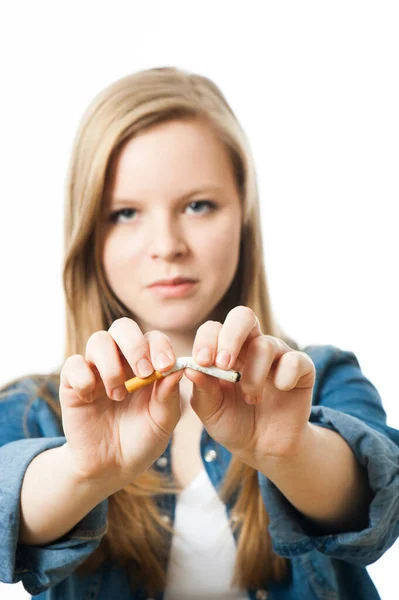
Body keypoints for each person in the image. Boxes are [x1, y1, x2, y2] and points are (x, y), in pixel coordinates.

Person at [0, 66, 398, 600]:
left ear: (244, 217)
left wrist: (292, 450)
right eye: (124, 213)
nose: (166, 244)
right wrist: (82, 471)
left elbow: (378, 507)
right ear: (88, 235)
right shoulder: (33, 409)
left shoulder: (319, 378)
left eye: (197, 205)